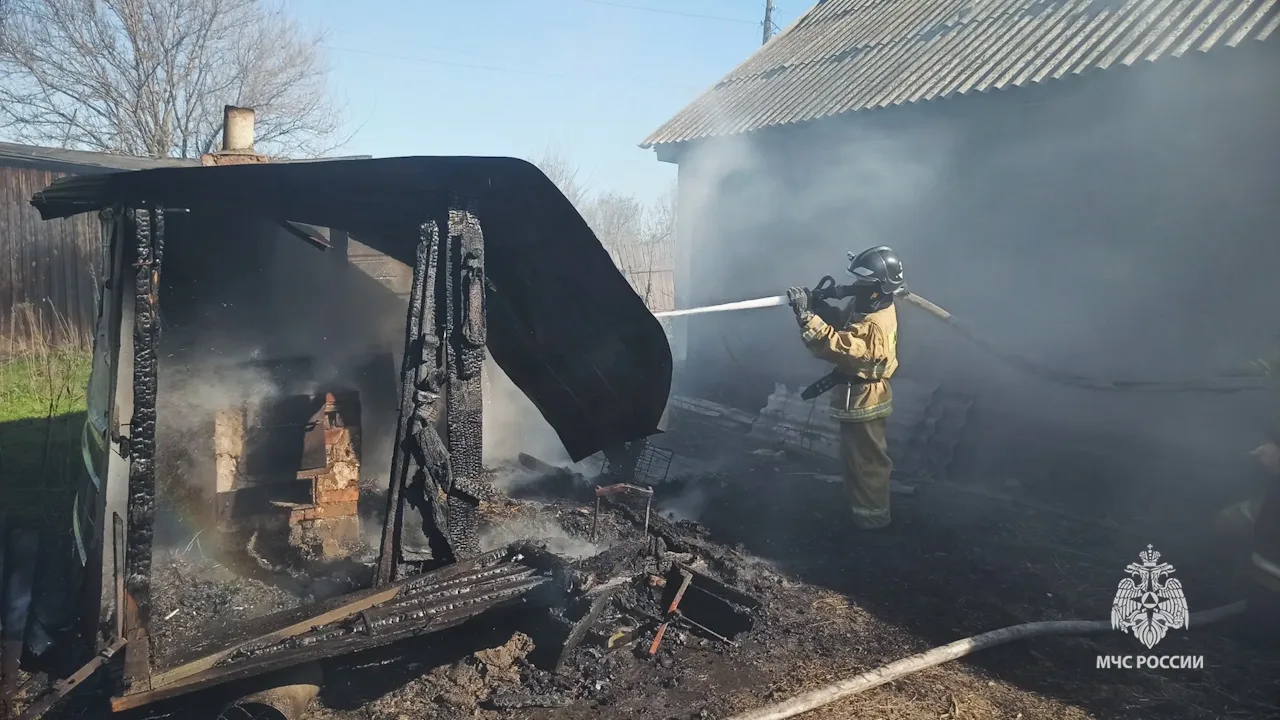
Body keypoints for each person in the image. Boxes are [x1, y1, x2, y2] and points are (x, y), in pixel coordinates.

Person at [786, 246, 904, 530]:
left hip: (866, 397)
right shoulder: (873, 306)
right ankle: (859, 513)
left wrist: (807, 317)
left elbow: (838, 346)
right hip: (858, 395)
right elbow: (847, 326)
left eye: (863, 283)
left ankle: (873, 523)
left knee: (867, 463)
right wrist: (820, 308)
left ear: (878, 287)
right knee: (856, 460)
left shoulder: (876, 324)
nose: (856, 288)